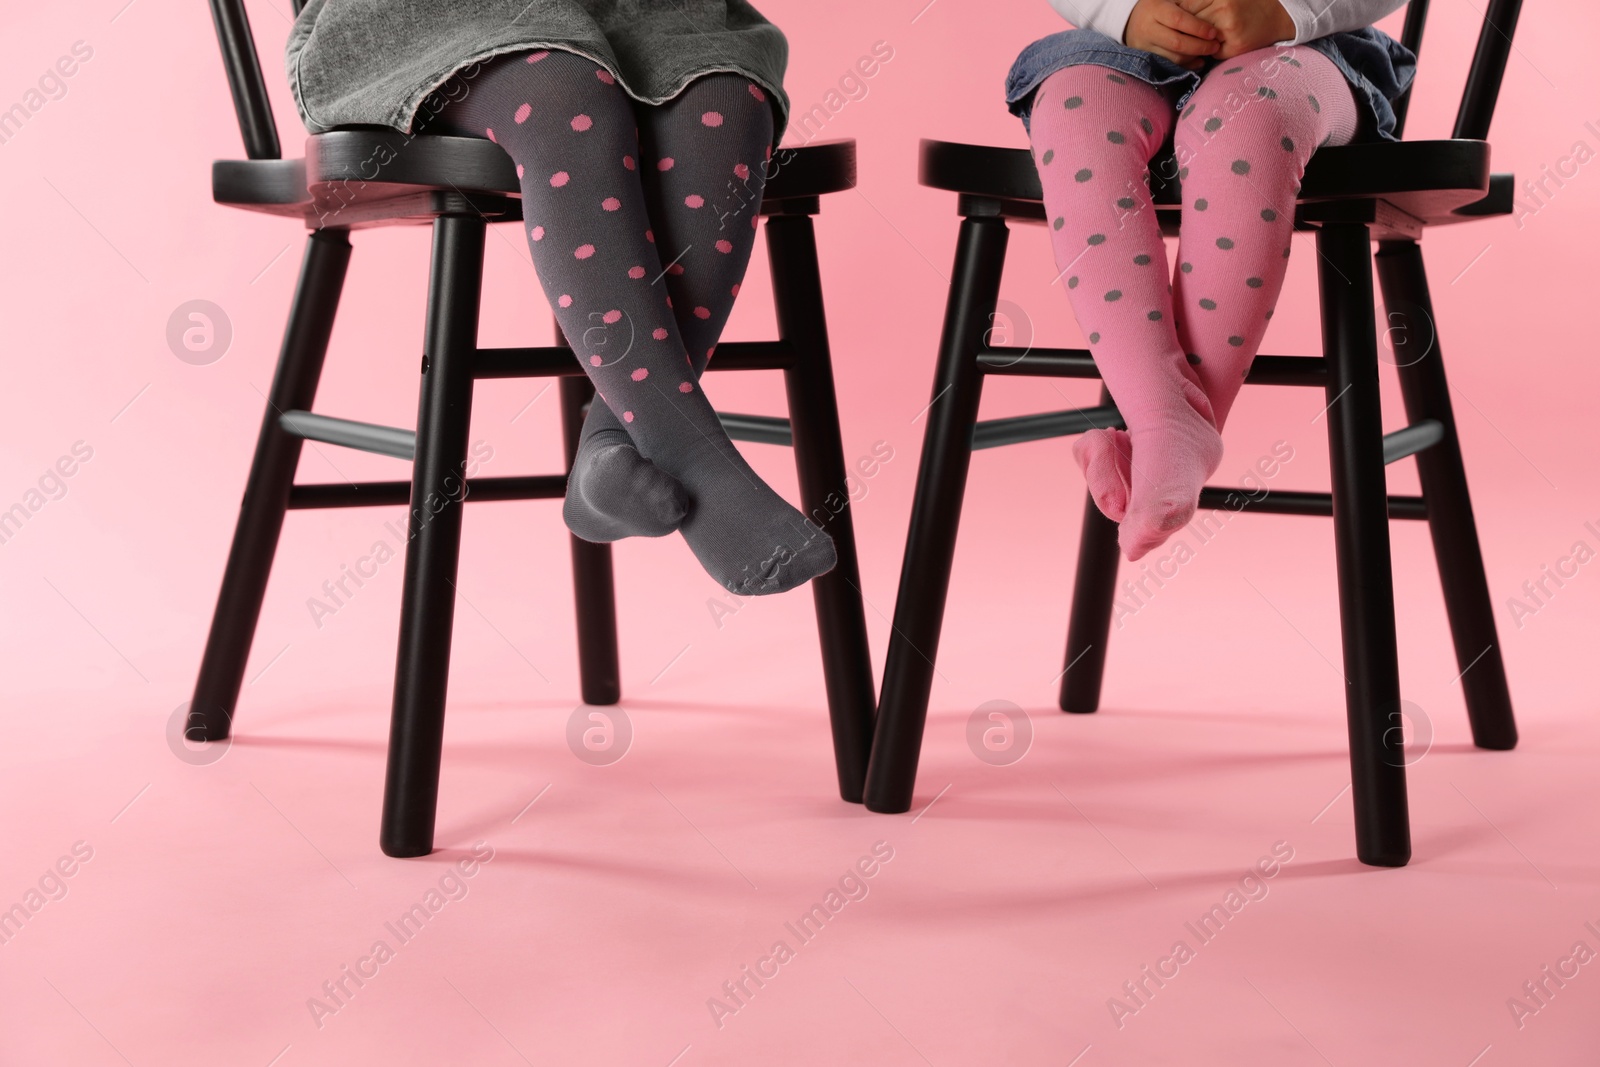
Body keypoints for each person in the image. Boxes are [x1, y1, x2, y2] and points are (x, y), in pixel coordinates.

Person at [285, 0, 835, 595]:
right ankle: (693, 456)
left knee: (725, 95)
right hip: (439, 17)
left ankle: (614, 438)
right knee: (560, 86)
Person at [1007, 0, 1416, 558]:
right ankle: (1162, 427)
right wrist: (1121, 11)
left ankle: (1158, 432)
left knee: (1243, 115)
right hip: (1126, 45)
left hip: (1306, 49)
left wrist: (1286, 12)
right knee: (1076, 107)